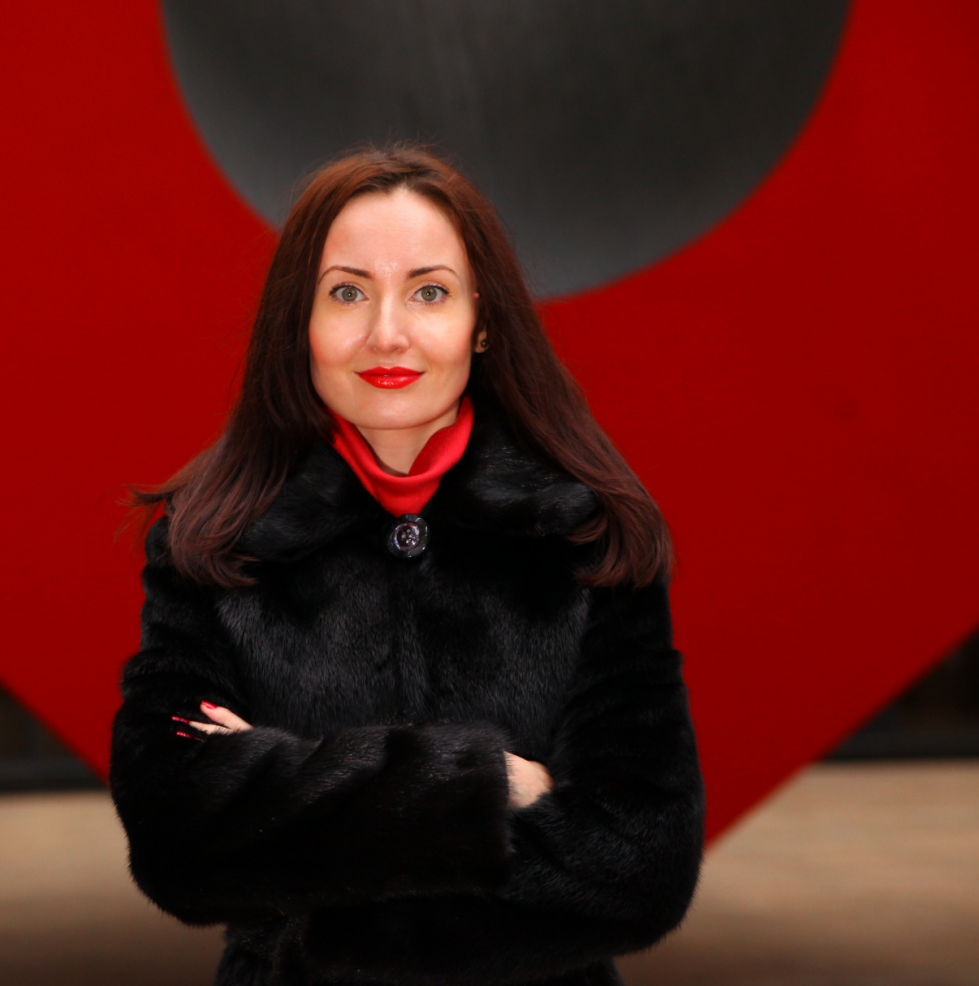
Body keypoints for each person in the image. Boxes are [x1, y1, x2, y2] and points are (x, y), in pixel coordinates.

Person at [109, 145, 703, 986]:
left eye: (429, 292)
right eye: (348, 292)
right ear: (300, 322)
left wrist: (293, 807)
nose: (387, 333)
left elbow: (644, 863)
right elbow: (175, 835)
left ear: (481, 321)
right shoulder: (212, 540)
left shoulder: (585, 536)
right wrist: (489, 784)